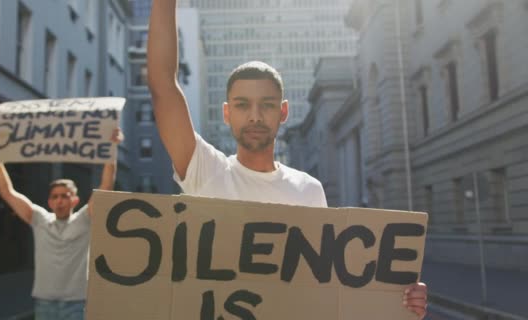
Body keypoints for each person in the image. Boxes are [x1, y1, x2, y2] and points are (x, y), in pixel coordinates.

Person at [146, 0, 428, 317]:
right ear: (227, 113)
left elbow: (329, 290)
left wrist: (398, 297)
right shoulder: (207, 171)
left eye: (266, 105)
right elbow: (162, 85)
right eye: (242, 105)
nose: (255, 116)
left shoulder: (309, 190)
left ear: (283, 112)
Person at [0, 128, 123, 320]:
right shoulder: (39, 219)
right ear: (49, 202)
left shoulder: (85, 219)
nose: (59, 201)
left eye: (65, 196)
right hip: (44, 304)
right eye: (55, 197)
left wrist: (112, 149)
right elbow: (7, 192)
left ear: (75, 200)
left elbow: (106, 188)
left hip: (77, 304)